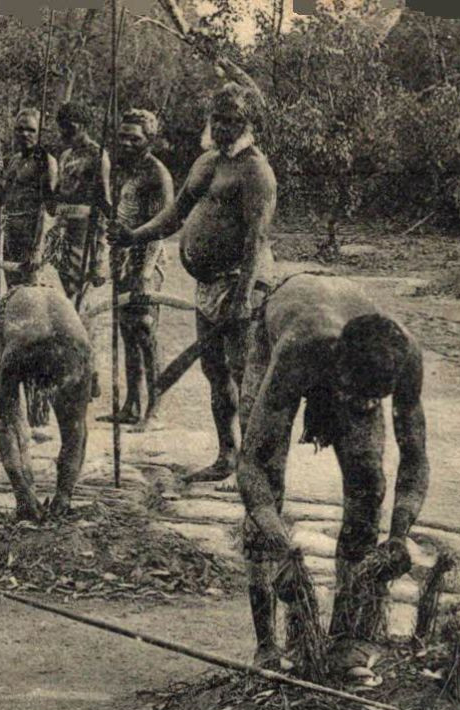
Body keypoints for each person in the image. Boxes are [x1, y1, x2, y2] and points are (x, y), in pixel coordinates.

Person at [236, 276, 429, 671]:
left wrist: (398, 537)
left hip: (345, 344)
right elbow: (251, 463)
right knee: (269, 486)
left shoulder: (405, 355)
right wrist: (279, 542)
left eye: (371, 402)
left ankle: (345, 638)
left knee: (368, 486)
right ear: (337, 364)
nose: (361, 406)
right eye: (352, 395)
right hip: (279, 329)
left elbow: (415, 457)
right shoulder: (300, 349)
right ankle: (267, 645)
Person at [112, 83, 276, 482]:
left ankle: (256, 468)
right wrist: (134, 236)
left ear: (247, 124)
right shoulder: (206, 163)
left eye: (232, 121)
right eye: (217, 119)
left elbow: (257, 238)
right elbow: (175, 214)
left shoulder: (256, 171)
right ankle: (227, 455)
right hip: (207, 287)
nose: (222, 128)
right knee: (214, 372)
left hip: (242, 283)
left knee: (244, 375)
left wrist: (242, 299)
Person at [0, 276, 93, 522]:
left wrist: (22, 492)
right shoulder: (63, 300)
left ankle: (25, 500)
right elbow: (79, 432)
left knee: (8, 421)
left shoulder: (6, 304)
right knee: (75, 427)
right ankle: (63, 498)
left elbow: (7, 420)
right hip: (74, 348)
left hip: (26, 346)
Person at [100, 108, 175, 427]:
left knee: (145, 331)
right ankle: (131, 404)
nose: (127, 143)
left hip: (147, 260)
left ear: (150, 140)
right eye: (123, 137)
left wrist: (145, 275)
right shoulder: (120, 170)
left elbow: (161, 226)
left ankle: (153, 409)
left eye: (135, 138)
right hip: (121, 259)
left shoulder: (157, 174)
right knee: (126, 332)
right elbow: (114, 214)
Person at [51, 101, 110, 307]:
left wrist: (99, 258)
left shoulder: (98, 156)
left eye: (70, 127)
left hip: (85, 232)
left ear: (82, 126)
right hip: (62, 229)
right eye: (62, 127)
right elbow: (57, 194)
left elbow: (104, 205)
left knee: (80, 297)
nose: (64, 133)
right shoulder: (66, 155)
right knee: (66, 291)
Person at [0, 109, 56, 289]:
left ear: (40, 133)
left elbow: (48, 208)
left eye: (31, 130)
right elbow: (1, 199)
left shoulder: (46, 161)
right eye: (20, 129)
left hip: (31, 234)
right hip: (11, 232)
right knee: (12, 289)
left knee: (30, 291)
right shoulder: (14, 160)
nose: (24, 134)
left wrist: (36, 249)